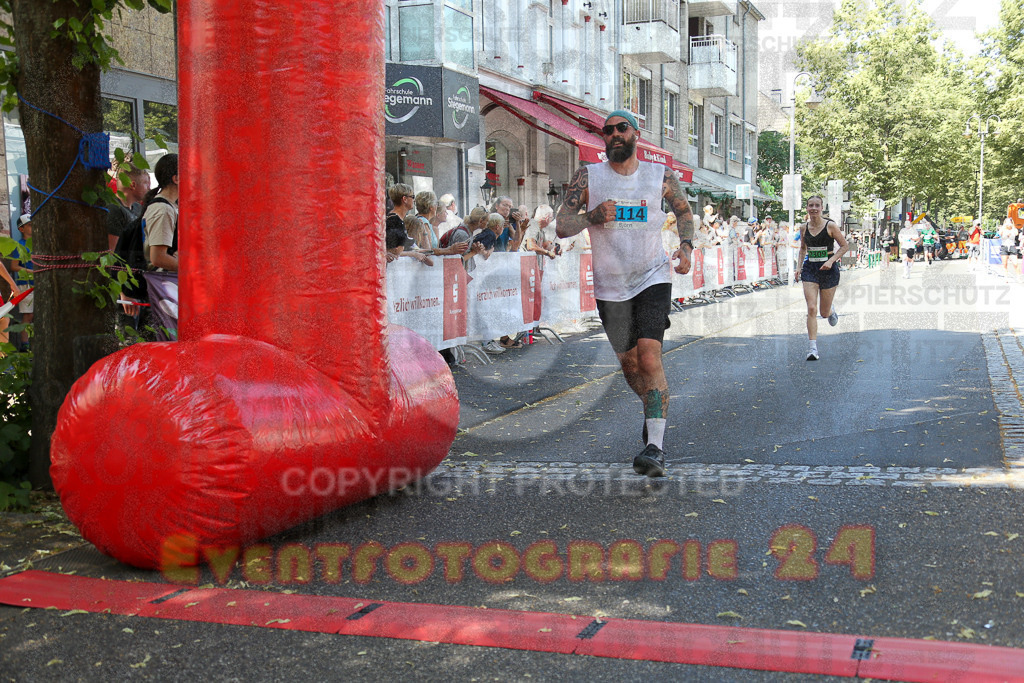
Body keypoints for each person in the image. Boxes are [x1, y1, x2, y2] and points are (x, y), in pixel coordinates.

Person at [555, 110, 695, 478]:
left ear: (636, 134)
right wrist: (591, 216)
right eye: (608, 131)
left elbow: (684, 212)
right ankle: (654, 414)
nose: (614, 134)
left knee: (649, 356)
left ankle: (656, 448)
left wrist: (686, 245)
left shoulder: (660, 174)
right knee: (631, 366)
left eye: (622, 128)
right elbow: (561, 226)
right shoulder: (588, 176)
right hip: (610, 286)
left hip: (652, 276)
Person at [794, 195, 849, 361]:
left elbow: (844, 246)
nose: (813, 208)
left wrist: (831, 261)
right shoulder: (803, 227)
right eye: (810, 205)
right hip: (810, 269)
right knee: (811, 308)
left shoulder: (830, 225)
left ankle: (831, 310)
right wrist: (798, 268)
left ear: (822, 208)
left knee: (823, 313)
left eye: (817, 205)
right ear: (807, 208)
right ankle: (812, 348)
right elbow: (803, 249)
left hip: (828, 270)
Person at [142, 154, 179, 273]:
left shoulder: (171, 206)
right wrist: (193, 269)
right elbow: (158, 258)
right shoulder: (163, 210)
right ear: (176, 179)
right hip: (165, 281)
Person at [106, 162, 151, 251]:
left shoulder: (138, 207)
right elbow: (113, 251)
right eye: (146, 183)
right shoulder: (114, 209)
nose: (149, 188)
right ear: (132, 185)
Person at [9, 214, 33, 350]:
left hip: (39, 283)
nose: (33, 227)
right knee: (28, 315)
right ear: (21, 229)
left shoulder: (39, 243)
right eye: (29, 225)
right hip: (25, 283)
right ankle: (25, 346)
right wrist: (31, 272)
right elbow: (13, 266)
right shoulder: (19, 245)